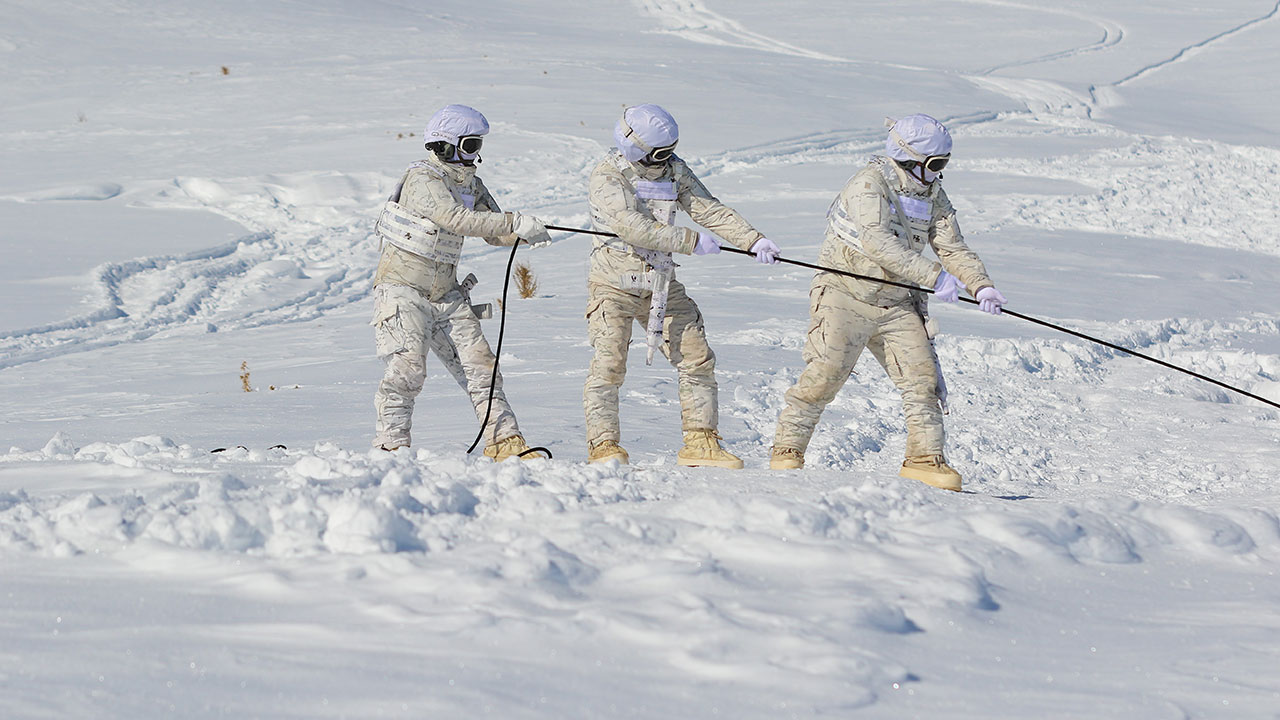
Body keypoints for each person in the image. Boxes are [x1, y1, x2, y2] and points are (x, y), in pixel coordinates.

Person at [770, 114, 1007, 491]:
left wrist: (980, 285)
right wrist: (935, 278)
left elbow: (951, 245)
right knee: (825, 376)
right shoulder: (869, 185)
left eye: (944, 165)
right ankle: (787, 450)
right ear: (911, 158)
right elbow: (878, 243)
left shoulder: (931, 193)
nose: (939, 174)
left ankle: (924, 459)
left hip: (898, 302)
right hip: (845, 295)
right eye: (935, 165)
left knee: (922, 381)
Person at [584, 103, 782, 468]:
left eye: (670, 151)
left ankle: (701, 442)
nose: (665, 159)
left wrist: (752, 240)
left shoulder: (673, 170)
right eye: (658, 153)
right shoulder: (609, 176)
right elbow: (632, 226)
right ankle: (604, 445)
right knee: (609, 365)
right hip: (614, 285)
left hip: (661, 282)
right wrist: (689, 241)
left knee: (696, 357)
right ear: (636, 147)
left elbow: (708, 208)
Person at [371, 104, 551, 459]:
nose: (474, 155)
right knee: (408, 371)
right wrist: (513, 222)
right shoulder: (424, 179)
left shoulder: (471, 184)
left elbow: (491, 229)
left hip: (446, 295)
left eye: (477, 146)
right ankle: (390, 447)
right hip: (403, 291)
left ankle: (505, 442)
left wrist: (522, 234)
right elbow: (456, 219)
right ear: (444, 145)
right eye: (469, 146)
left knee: (482, 367)